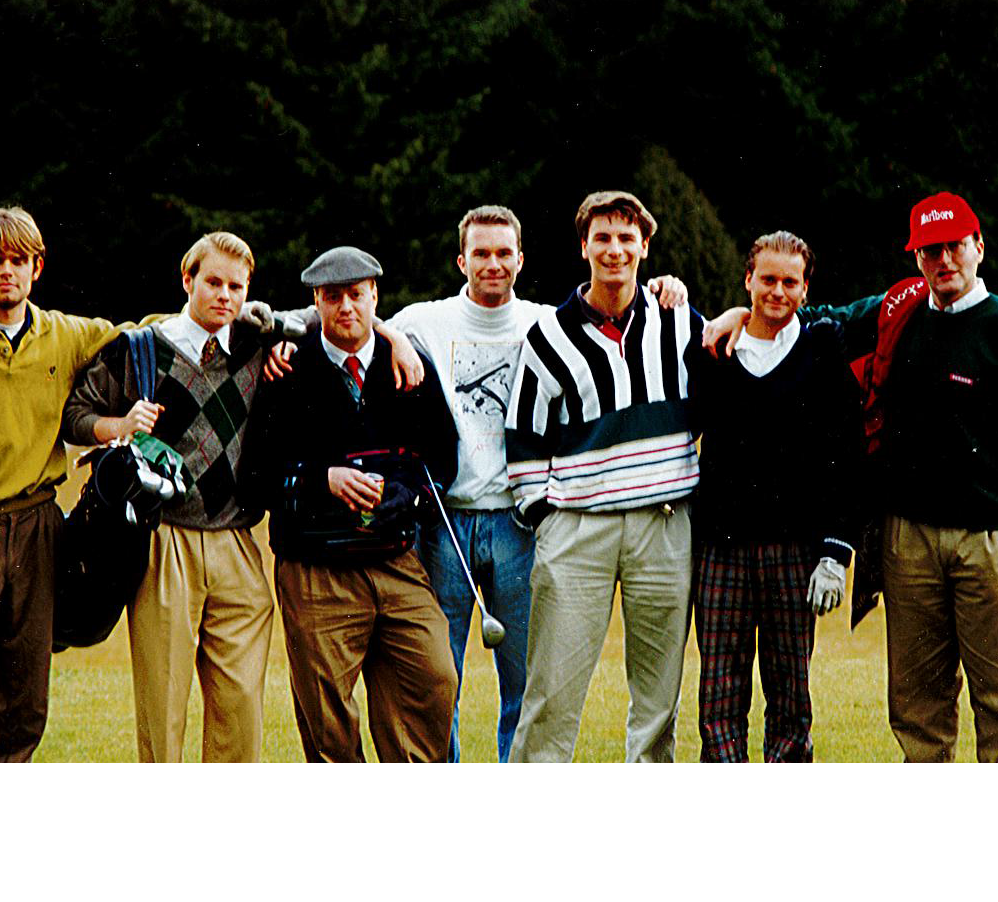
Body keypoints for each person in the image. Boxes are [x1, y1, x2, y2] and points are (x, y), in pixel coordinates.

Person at [705, 192, 998, 762]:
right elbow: (806, 316)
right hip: (907, 536)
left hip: (991, 536)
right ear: (916, 258)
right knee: (917, 705)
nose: (943, 261)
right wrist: (739, 315)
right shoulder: (898, 310)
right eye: (930, 251)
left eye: (954, 247)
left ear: (979, 247)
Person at [0, 206, 231, 762]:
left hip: (39, 527)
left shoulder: (63, 334)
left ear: (37, 268)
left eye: (19, 261)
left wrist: (251, 317)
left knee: (25, 703)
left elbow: (145, 332)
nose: (7, 271)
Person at [387, 204, 691, 763]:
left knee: (527, 688)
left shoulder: (548, 322)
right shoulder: (428, 322)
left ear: (521, 259)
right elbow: (352, 319)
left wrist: (675, 290)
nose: (493, 263)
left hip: (521, 527)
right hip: (448, 524)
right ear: (461, 260)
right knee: (437, 682)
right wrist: (393, 338)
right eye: (481, 253)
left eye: (504, 253)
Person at [62, 231, 287, 763]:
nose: (224, 296)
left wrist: (389, 340)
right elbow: (75, 415)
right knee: (163, 707)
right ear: (188, 280)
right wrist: (119, 425)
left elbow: (335, 318)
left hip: (237, 542)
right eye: (213, 282)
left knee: (241, 708)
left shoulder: (259, 346)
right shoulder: (140, 350)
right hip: (164, 542)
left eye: (236, 287)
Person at [504, 191, 703, 763]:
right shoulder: (549, 334)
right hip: (578, 529)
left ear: (645, 246)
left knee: (659, 696)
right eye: (603, 238)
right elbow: (523, 434)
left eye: (626, 237)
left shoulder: (678, 320)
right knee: (552, 690)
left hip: (663, 524)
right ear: (584, 247)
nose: (615, 249)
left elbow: (724, 368)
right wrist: (547, 516)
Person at [249, 245, 459, 762]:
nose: (346, 306)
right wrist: (322, 480)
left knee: (434, 677)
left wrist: (407, 495)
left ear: (375, 297)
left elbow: (442, 459)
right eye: (332, 296)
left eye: (356, 295)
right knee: (328, 719)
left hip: (396, 562)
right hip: (316, 570)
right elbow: (257, 476)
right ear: (316, 303)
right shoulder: (285, 369)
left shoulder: (408, 364)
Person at [688, 231, 865, 762]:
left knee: (790, 695)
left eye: (790, 282)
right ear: (748, 280)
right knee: (719, 691)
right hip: (720, 548)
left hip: (794, 550)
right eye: (767, 279)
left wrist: (835, 552)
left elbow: (846, 455)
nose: (778, 292)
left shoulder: (821, 350)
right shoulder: (716, 350)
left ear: (805, 289)